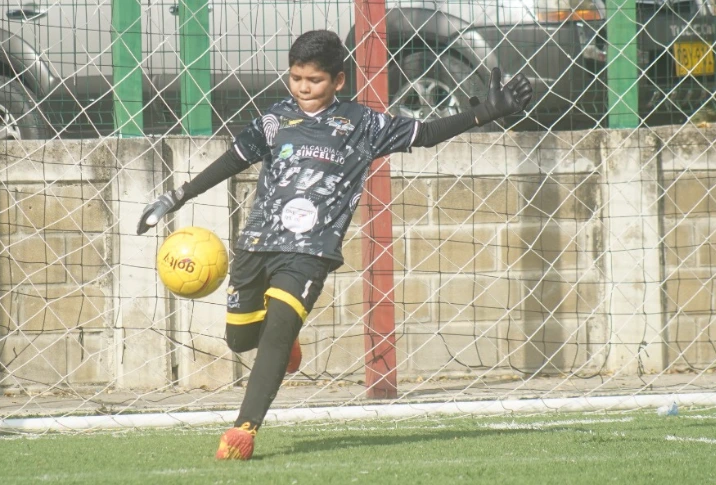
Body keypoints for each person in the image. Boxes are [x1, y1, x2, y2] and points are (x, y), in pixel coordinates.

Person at [136, 29, 532, 460]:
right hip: (256, 246)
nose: (304, 88)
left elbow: (426, 133)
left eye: (314, 80)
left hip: (310, 251)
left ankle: (242, 432)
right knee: (240, 339)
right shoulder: (274, 120)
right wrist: (177, 197)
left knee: (277, 330)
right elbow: (233, 159)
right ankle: (284, 343)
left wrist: (485, 112)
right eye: (296, 79)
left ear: (338, 81)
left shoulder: (363, 125)